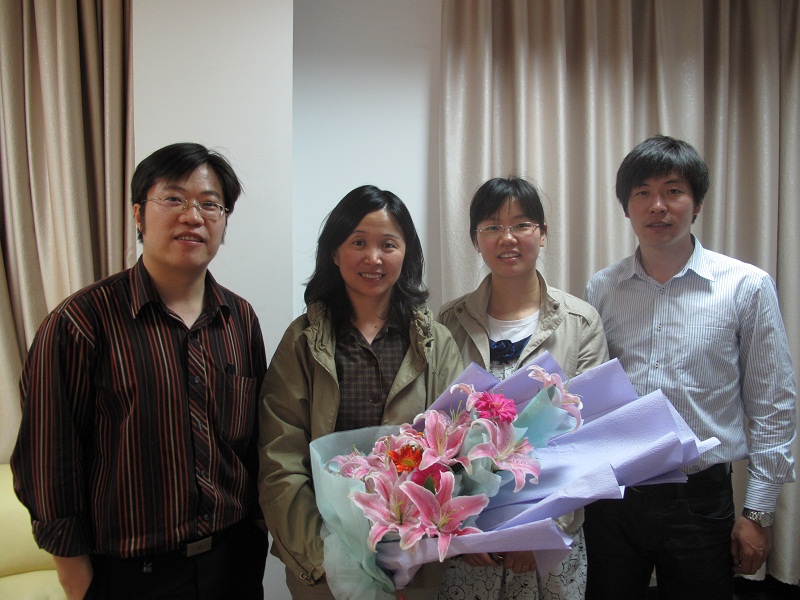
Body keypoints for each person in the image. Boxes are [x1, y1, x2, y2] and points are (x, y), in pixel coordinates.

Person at [11, 142, 269, 600]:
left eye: (210, 204)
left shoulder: (240, 318)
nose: (193, 216)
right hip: (131, 576)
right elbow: (48, 461)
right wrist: (77, 581)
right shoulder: (80, 323)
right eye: (173, 199)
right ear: (138, 214)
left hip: (233, 562)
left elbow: (254, 444)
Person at [584, 135, 797, 599]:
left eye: (673, 191)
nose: (657, 205)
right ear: (626, 207)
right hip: (615, 495)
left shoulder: (746, 286)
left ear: (697, 203)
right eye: (642, 192)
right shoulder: (602, 288)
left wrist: (758, 514)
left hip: (700, 499)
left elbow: (773, 405)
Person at [258, 185, 464, 599]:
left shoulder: (435, 343)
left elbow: (457, 453)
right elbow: (281, 460)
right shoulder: (302, 342)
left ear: (406, 254)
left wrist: (410, 554)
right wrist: (325, 559)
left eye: (388, 244)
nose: (373, 258)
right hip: (324, 565)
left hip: (414, 564)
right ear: (334, 253)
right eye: (358, 243)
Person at [437, 176, 609, 600]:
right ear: (476, 239)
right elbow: (436, 430)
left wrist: (544, 528)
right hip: (469, 540)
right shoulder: (448, 321)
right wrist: (461, 525)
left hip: (549, 534)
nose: (507, 237)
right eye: (492, 227)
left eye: (521, 224)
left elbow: (591, 437)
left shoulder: (580, 322)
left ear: (543, 234)